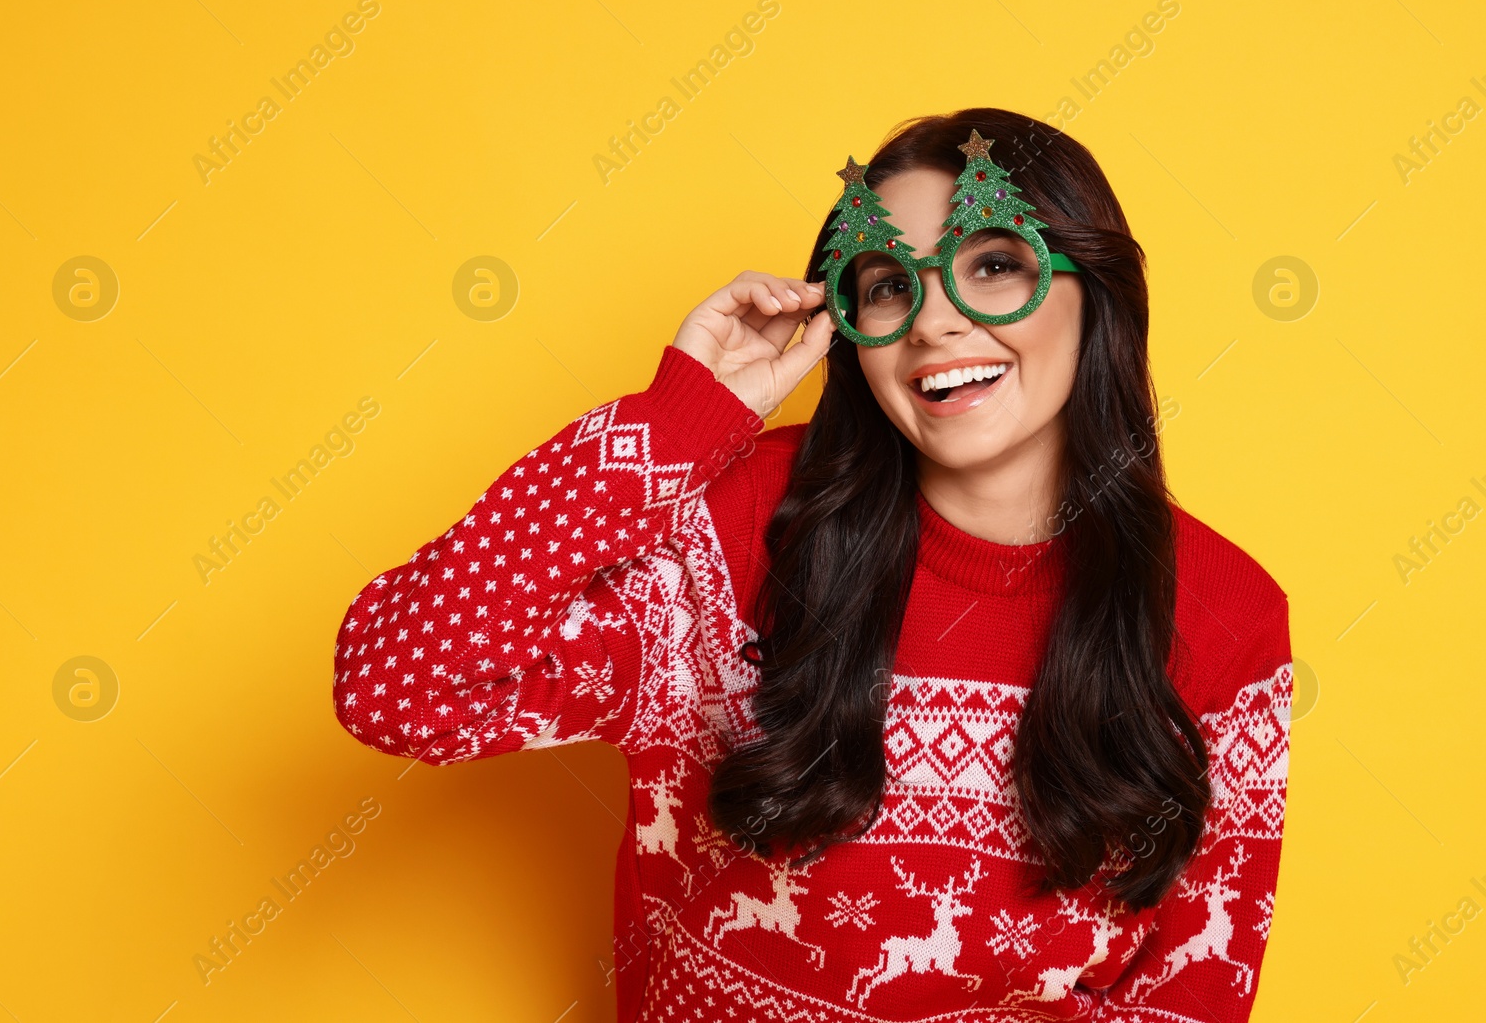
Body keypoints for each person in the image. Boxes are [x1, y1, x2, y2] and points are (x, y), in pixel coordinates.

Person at [332, 107, 1294, 1022]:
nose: (936, 322)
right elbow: (394, 685)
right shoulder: (731, 527)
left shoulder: (1224, 611)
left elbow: (1190, 986)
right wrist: (676, 423)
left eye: (994, 266)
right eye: (887, 284)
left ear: (1096, 293)